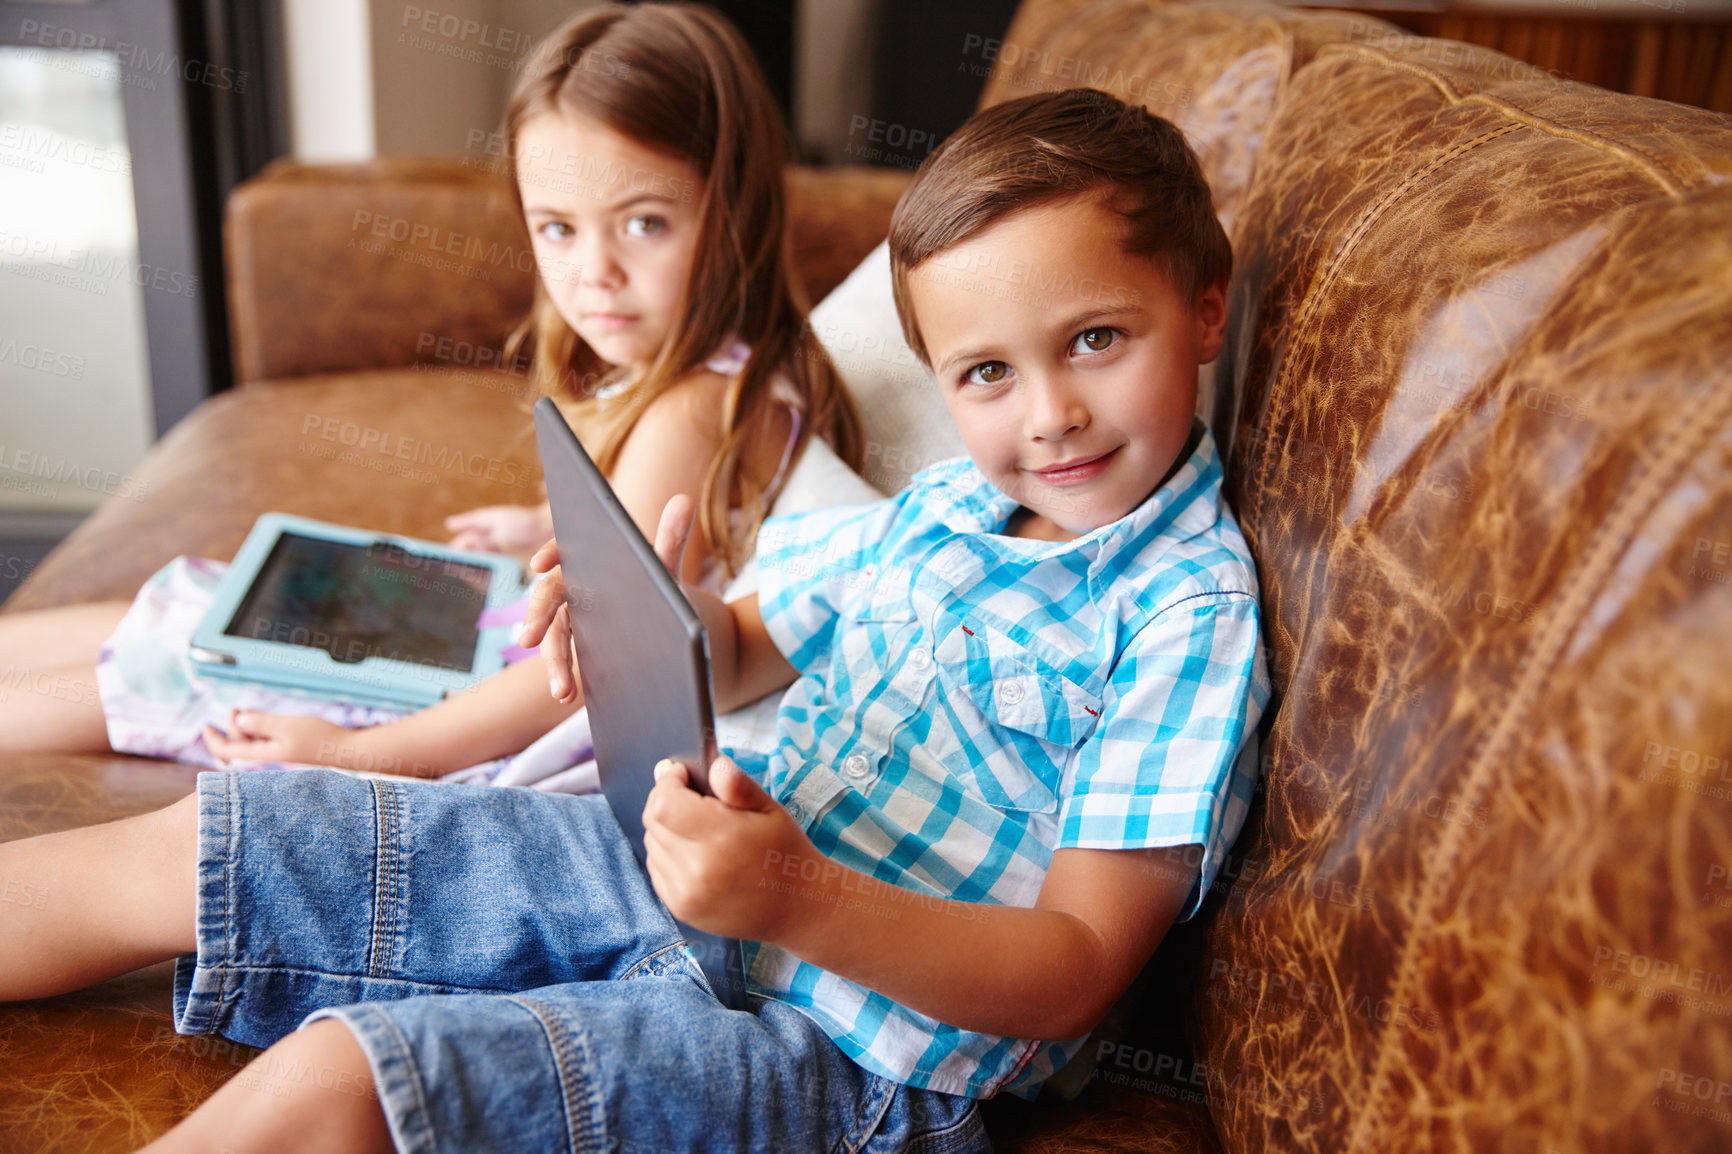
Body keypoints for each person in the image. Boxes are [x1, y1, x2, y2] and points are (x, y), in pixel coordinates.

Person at [0, 86, 1269, 1153]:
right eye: (988, 372)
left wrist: (791, 895)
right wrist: (655, 619)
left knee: (349, 1080)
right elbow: (750, 639)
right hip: (684, 863)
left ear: (1203, 309)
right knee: (235, 830)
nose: (1047, 412)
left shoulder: (1185, 615)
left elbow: (1076, 966)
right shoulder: (947, 507)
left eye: (1095, 338)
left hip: (857, 1046)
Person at [0, 1, 861, 779]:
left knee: (178, 659)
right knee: (205, 599)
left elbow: (590, 667)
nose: (593, 273)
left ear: (736, 207)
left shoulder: (689, 410)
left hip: (487, 711)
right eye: (557, 228)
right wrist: (546, 530)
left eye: (645, 223)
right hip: (492, 658)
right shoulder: (723, 374)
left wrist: (352, 755)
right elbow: (677, 537)